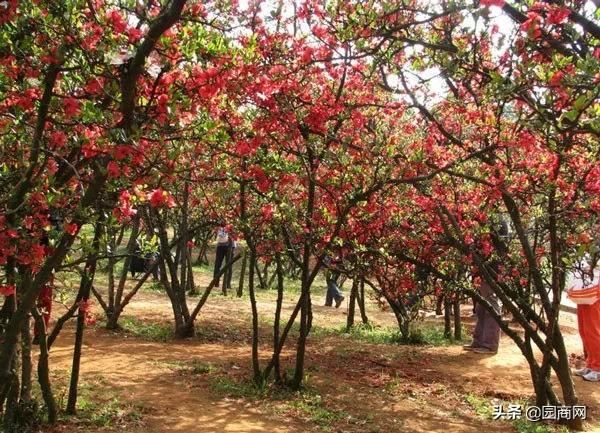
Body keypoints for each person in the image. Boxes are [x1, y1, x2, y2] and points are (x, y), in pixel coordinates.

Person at [568, 258, 600, 382]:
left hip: (595, 294)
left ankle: (597, 368)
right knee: (584, 331)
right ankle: (591, 365)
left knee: (593, 331)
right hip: (586, 291)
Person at [463, 267, 501, 354]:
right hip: (481, 275)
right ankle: (479, 342)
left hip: (490, 273)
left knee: (491, 308)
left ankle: (490, 345)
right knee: (480, 309)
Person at [213, 223, 235, 287]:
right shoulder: (219, 225)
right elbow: (220, 235)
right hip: (221, 246)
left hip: (230, 246)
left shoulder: (234, 223)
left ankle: (228, 284)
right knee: (218, 264)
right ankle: (216, 282)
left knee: (228, 265)